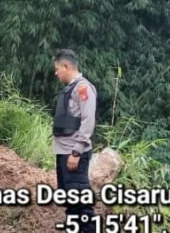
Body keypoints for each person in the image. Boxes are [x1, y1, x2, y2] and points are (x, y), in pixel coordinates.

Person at [53, 49, 97, 233]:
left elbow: (88, 122)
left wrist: (77, 151)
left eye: (57, 69)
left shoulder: (83, 88)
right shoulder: (70, 88)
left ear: (66, 66)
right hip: (64, 153)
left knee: (81, 207)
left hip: (74, 155)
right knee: (72, 205)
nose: (56, 73)